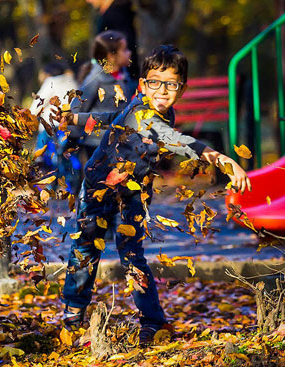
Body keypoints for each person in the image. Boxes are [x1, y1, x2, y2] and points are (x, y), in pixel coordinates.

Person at [59, 45, 251, 345]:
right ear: (142, 85)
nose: (162, 90)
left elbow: (178, 141)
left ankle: (152, 321)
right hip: (98, 187)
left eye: (171, 84)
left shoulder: (158, 112)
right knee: (85, 248)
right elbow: (117, 119)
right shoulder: (141, 109)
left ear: (182, 88)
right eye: (155, 82)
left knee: (133, 256)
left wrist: (227, 162)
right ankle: (73, 315)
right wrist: (75, 119)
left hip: (133, 193)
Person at [74, 30, 134, 167]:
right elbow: (78, 107)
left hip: (120, 140)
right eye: (124, 50)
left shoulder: (124, 76)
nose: (129, 53)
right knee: (99, 182)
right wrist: (74, 138)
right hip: (97, 142)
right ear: (111, 56)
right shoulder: (95, 79)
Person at [30, 62, 79, 191]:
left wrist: (31, 117)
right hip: (69, 126)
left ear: (47, 73)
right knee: (66, 155)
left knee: (46, 156)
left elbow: (36, 105)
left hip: (51, 127)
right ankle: (69, 186)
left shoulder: (51, 82)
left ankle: (48, 185)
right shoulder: (72, 82)